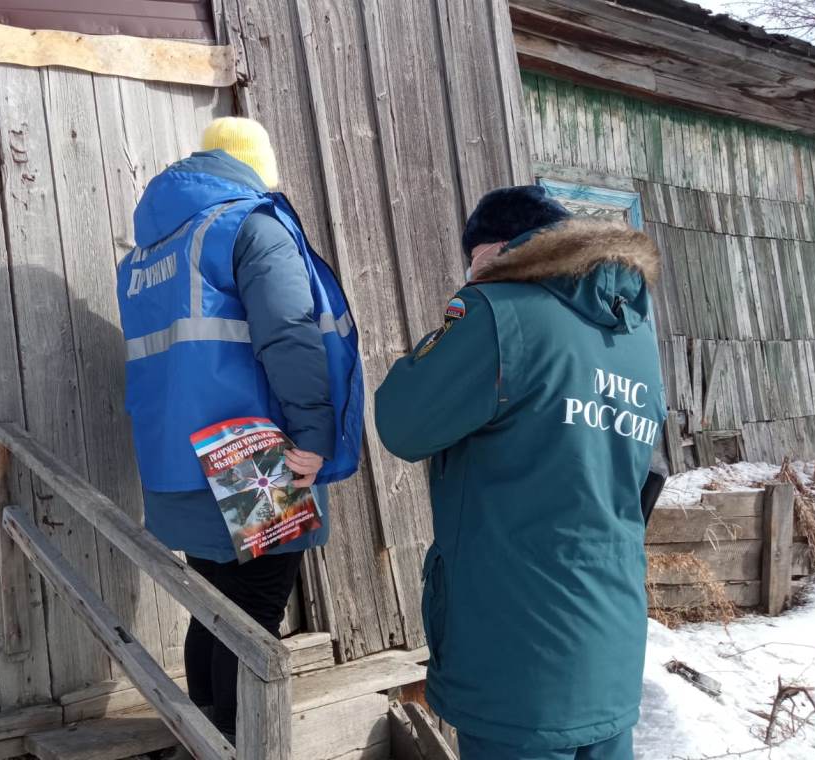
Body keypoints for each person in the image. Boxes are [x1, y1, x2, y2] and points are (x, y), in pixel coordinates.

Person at [375, 186, 665, 760]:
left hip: (518, 652)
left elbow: (401, 422)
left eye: (473, 258)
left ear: (498, 249)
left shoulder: (498, 312)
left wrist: (465, 313)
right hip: (609, 641)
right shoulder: (632, 334)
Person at [115, 117, 362, 745]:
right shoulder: (251, 225)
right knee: (252, 618)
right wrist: (314, 437)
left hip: (179, 459)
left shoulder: (149, 250)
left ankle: (206, 741)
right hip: (251, 457)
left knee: (214, 612)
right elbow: (291, 336)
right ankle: (241, 746)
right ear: (258, 168)